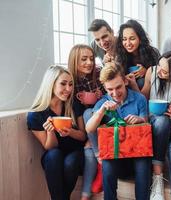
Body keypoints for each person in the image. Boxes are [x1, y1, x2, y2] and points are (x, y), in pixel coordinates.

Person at [127, 51, 171, 200]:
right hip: (157, 125)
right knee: (162, 120)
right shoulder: (152, 71)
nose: (160, 72)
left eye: (165, 71)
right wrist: (134, 85)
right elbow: (144, 97)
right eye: (160, 66)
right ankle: (157, 179)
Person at [85, 62, 152, 200]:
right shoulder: (103, 103)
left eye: (118, 87)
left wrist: (140, 120)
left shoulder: (139, 99)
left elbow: (146, 124)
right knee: (107, 163)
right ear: (104, 87)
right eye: (110, 89)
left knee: (143, 161)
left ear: (125, 81)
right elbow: (89, 128)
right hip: (116, 160)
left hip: (137, 157)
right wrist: (102, 110)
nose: (115, 93)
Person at [27, 65, 86, 200]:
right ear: (51, 84)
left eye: (71, 84)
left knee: (71, 161)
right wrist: (51, 131)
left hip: (76, 153)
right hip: (54, 158)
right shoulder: (36, 114)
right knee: (53, 155)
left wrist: (70, 132)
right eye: (63, 84)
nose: (68, 89)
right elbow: (49, 147)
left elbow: (83, 136)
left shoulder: (74, 104)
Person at [68, 44, 105, 200]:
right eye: (84, 59)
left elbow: (111, 95)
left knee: (89, 112)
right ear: (75, 61)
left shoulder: (98, 74)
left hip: (102, 119)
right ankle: (85, 195)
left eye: (91, 58)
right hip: (85, 127)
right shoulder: (70, 82)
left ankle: (99, 155)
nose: (89, 62)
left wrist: (100, 95)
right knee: (87, 150)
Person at [115, 19, 160, 89]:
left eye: (132, 38)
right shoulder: (120, 55)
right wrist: (124, 78)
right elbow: (116, 78)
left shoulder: (152, 52)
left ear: (140, 38)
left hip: (149, 91)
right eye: (124, 39)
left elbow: (160, 76)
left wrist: (147, 71)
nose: (128, 43)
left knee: (141, 81)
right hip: (127, 92)